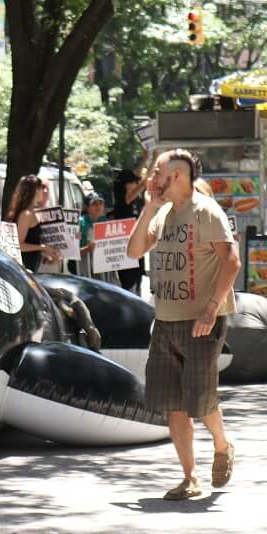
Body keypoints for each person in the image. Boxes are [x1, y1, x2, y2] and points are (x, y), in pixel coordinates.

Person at [126, 149, 238, 500]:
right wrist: (148, 207)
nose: (150, 177)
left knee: (200, 399)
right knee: (174, 402)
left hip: (202, 320)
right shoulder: (163, 215)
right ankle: (190, 478)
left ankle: (222, 444)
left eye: (156, 171)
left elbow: (231, 262)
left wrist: (211, 307)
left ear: (176, 175)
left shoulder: (206, 211)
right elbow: (134, 251)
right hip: (166, 320)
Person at [6, 175, 60, 273]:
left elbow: (32, 242)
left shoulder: (32, 212)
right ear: (35, 190)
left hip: (31, 267)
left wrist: (48, 253)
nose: (44, 191)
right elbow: (19, 245)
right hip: (24, 269)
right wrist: (42, 247)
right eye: (41, 187)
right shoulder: (27, 214)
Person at [114, 153, 151, 293]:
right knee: (129, 284)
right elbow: (143, 182)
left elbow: (136, 176)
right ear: (126, 185)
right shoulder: (124, 201)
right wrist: (155, 160)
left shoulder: (132, 200)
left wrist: (145, 158)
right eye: (132, 182)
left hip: (136, 247)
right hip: (125, 252)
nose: (136, 183)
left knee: (137, 280)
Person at [77, 193, 118, 284]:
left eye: (100, 203)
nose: (98, 206)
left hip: (102, 272)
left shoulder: (105, 221)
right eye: (94, 204)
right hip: (83, 271)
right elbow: (72, 253)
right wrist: (87, 249)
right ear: (86, 207)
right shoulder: (79, 223)